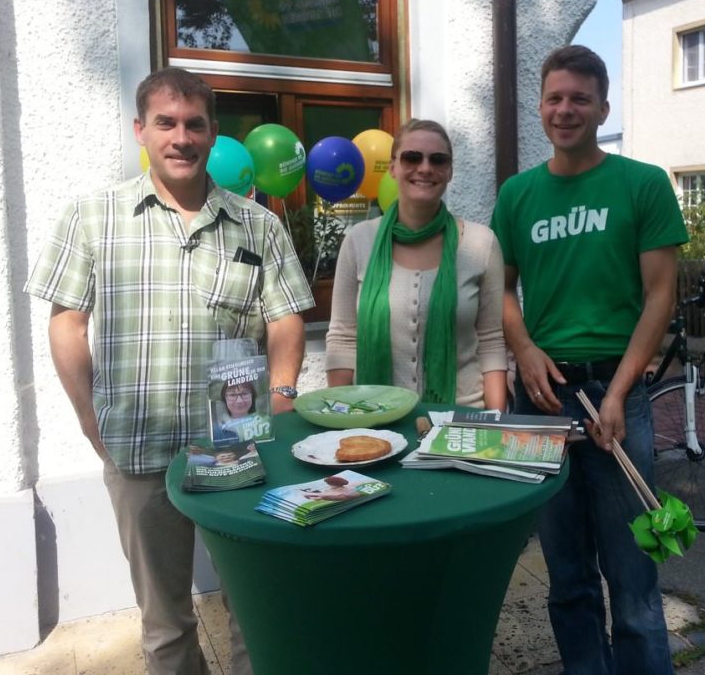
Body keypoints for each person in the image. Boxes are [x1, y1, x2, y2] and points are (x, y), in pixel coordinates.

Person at [26, 67, 313, 675]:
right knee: (164, 625)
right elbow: (67, 323)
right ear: (142, 130)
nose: (181, 137)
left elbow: (285, 319)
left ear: (214, 134)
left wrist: (283, 391)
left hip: (235, 451)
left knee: (255, 609)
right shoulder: (93, 216)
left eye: (194, 124)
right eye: (166, 123)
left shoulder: (257, 224)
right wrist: (87, 418)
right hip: (137, 449)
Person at [491, 45, 688, 675]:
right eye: (555, 98)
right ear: (541, 108)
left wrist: (620, 391)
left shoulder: (643, 184)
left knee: (633, 584)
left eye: (580, 98)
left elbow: (661, 295)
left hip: (615, 396)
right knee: (567, 578)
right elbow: (498, 286)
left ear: (603, 107)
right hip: (541, 404)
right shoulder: (518, 195)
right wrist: (523, 349)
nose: (565, 109)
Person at [326, 119, 508, 410]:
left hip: (461, 419)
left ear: (449, 171)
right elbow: (343, 338)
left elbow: (491, 341)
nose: (425, 168)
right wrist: (341, 417)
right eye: (412, 157)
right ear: (393, 167)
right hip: (375, 418)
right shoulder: (359, 241)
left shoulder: (481, 244)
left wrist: (496, 420)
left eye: (438, 160)